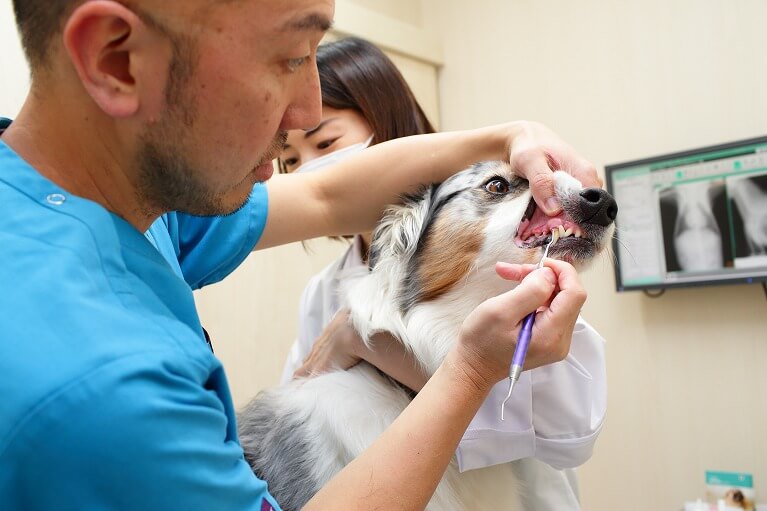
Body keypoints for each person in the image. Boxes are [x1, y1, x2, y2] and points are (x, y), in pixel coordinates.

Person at [0, 1, 600, 510]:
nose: (309, 110)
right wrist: (469, 371)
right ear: (116, 59)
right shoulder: (102, 392)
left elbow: (324, 193)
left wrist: (507, 138)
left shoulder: (112, 200)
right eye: (290, 56)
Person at [278, 37, 605, 510]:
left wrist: (361, 339)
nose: (311, 171)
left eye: (326, 143)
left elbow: (567, 427)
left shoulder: (501, 250)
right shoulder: (322, 291)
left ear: (392, 134)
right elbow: (305, 407)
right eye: (290, 161)